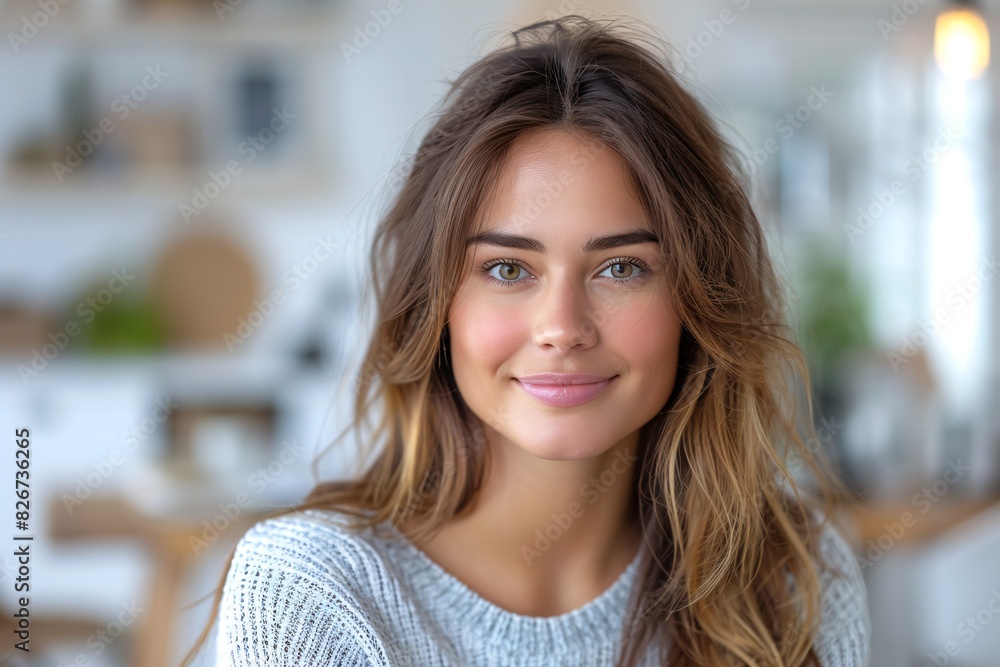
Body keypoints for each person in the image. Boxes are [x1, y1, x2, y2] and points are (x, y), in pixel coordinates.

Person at [186, 15, 870, 667]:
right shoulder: (312, 589)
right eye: (508, 269)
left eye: (621, 267)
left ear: (697, 297)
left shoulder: (793, 577)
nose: (562, 327)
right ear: (439, 302)